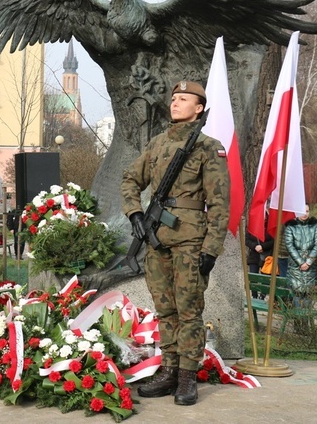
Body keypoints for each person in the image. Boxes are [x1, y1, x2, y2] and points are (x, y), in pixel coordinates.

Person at [121, 80, 230, 406]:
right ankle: (168, 370)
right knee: (165, 310)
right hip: (157, 243)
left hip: (190, 242)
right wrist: (135, 214)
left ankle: (186, 377)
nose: (175, 102)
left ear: (199, 108)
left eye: (184, 99)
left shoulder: (208, 147)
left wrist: (211, 248)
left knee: (189, 311)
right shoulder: (156, 144)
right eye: (174, 98)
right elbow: (130, 179)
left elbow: (221, 203)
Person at [284, 205, 317, 308]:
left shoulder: (315, 227)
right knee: (297, 294)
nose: (305, 214)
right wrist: (301, 262)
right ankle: (298, 322)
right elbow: (289, 246)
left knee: (308, 295)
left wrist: (308, 262)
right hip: (295, 267)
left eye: (307, 211)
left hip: (311, 267)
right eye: (302, 211)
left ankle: (306, 321)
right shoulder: (290, 227)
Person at [245, 224, 273, 298]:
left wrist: (263, 247)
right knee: (253, 278)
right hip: (254, 256)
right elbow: (246, 240)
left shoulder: (271, 224)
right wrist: (255, 246)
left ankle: (262, 297)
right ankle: (254, 296)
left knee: (266, 279)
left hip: (267, 257)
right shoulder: (252, 225)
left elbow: (274, 240)